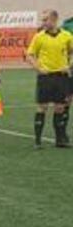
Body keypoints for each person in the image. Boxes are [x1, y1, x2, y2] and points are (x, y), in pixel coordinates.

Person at [26, 9, 73, 148]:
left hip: (61, 76)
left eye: (45, 19)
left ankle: (60, 140)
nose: (43, 22)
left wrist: (69, 65)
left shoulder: (66, 36)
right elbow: (30, 55)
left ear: (54, 20)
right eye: (43, 19)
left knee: (60, 107)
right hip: (45, 77)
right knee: (42, 107)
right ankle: (37, 141)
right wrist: (38, 68)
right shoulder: (39, 37)